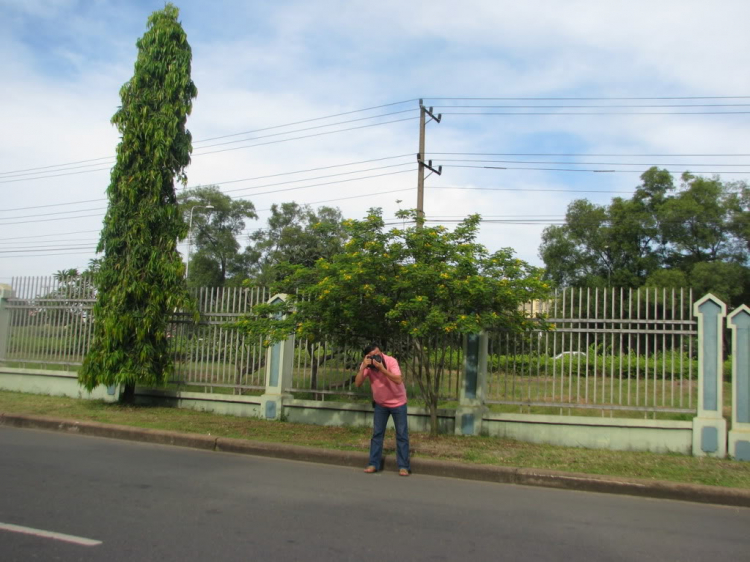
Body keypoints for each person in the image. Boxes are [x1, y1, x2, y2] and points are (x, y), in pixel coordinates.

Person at [355, 343, 411, 476]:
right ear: (367, 357)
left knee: (402, 435)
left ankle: (403, 466)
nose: (377, 357)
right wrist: (363, 367)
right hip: (381, 404)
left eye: (378, 354)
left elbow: (398, 380)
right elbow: (357, 383)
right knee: (377, 434)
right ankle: (373, 464)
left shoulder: (391, 361)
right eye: (373, 356)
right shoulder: (367, 365)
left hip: (398, 403)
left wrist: (382, 369)